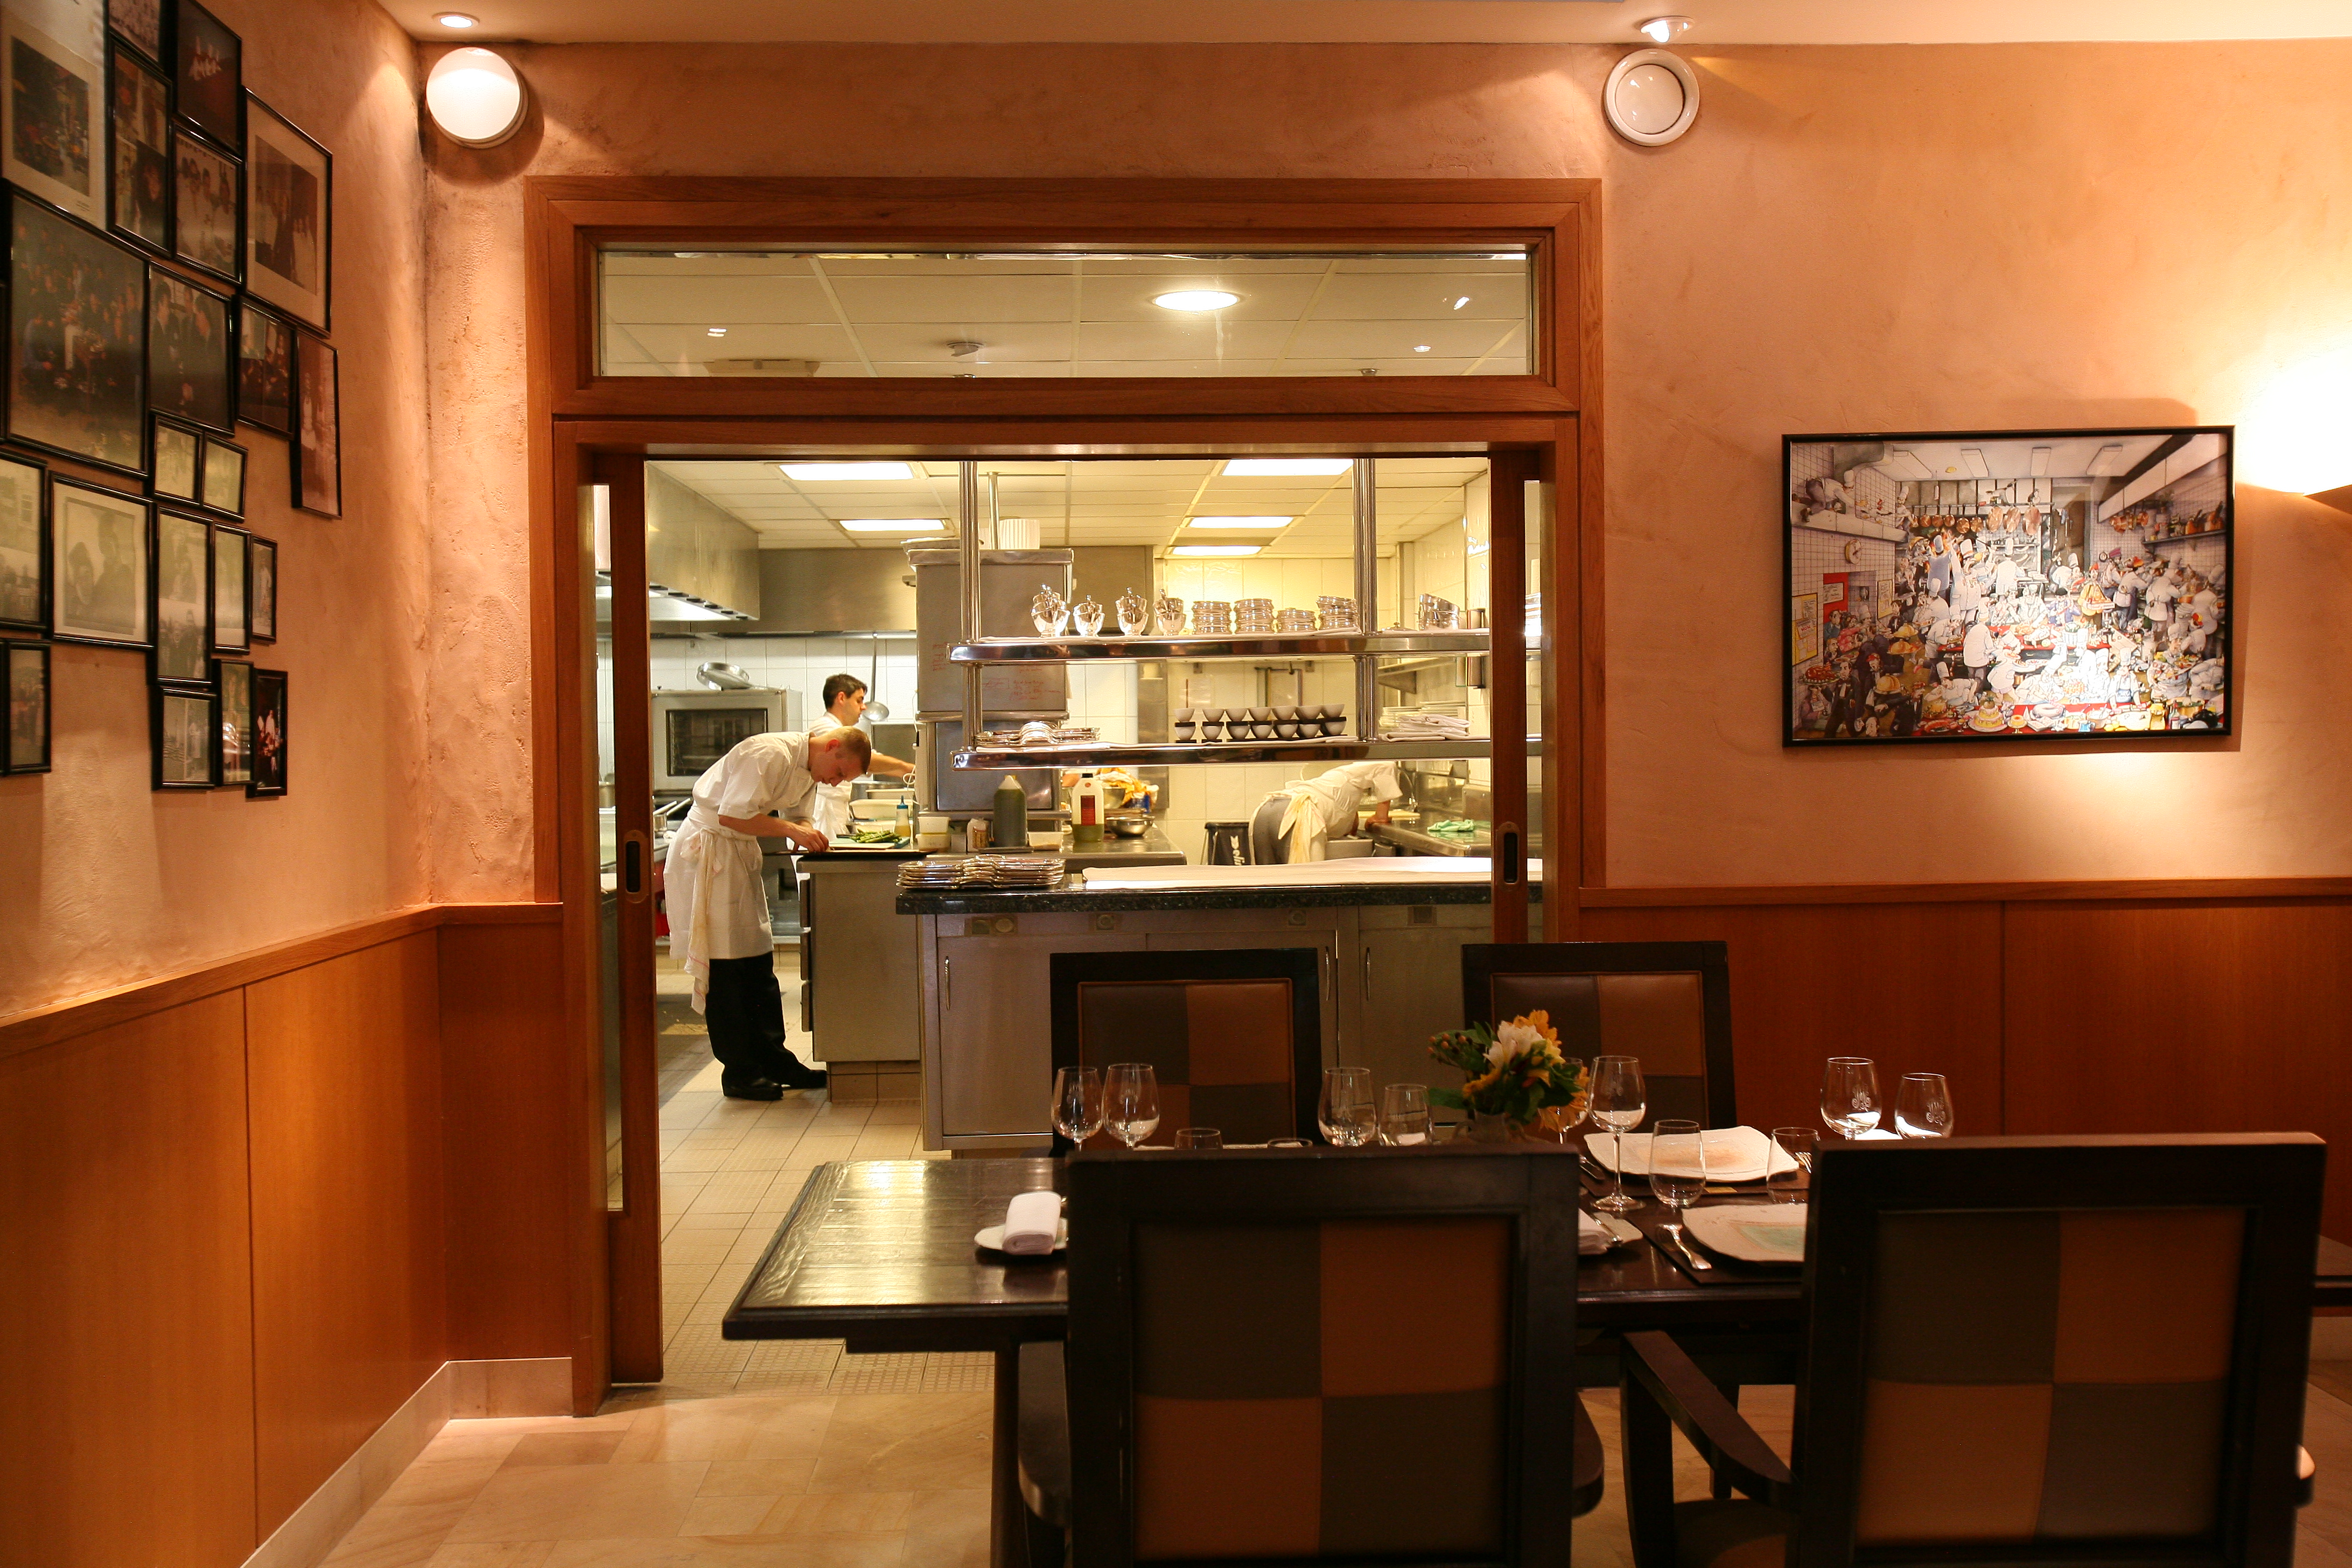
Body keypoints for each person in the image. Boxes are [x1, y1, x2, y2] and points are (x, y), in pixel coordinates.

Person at [667, 724, 873, 1098]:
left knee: (758, 962)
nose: (834, 783)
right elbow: (731, 816)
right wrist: (790, 830)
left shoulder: (810, 769)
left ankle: (775, 1059)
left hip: (739, 853)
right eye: (840, 773)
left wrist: (807, 831)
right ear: (831, 747)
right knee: (726, 968)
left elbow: (800, 814)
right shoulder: (768, 753)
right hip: (710, 850)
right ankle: (739, 1072)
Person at [805, 673, 916, 840]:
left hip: (832, 811)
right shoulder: (825, 726)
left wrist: (907, 772)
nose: (863, 707)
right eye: (859, 700)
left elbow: (866, 760)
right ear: (841, 698)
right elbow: (867, 762)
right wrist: (909, 769)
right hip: (822, 813)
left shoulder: (838, 729)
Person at [1276, 759, 1402, 860]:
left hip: (1272, 806)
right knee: (1308, 875)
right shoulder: (1347, 776)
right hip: (1300, 810)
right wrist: (1381, 815)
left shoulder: (1338, 792)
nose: (1351, 834)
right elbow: (1386, 763)